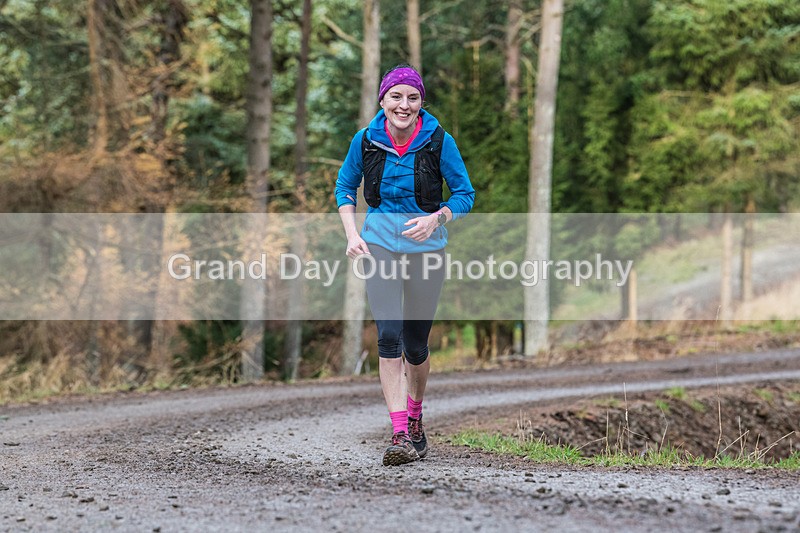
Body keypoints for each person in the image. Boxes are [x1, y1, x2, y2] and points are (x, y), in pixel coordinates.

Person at [336, 64, 475, 466]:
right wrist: (352, 234)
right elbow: (345, 186)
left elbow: (465, 193)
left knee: (415, 346)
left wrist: (438, 217)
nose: (404, 104)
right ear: (383, 100)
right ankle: (399, 433)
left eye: (412, 97)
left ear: (421, 103)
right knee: (388, 338)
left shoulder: (438, 141)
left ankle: (415, 417)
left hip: (427, 251)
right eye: (396, 96)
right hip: (378, 245)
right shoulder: (365, 141)